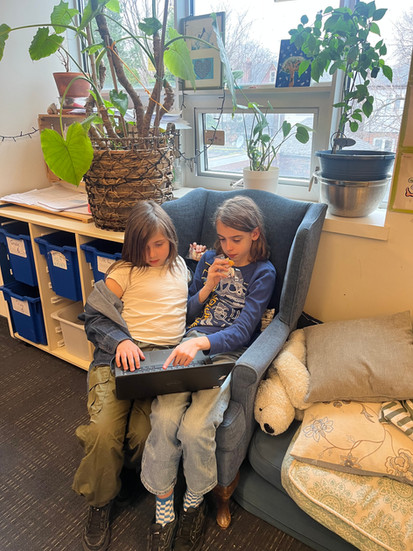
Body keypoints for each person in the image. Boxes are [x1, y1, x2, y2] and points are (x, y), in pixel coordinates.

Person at [140, 195, 276, 551]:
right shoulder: (210, 260)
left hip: (225, 353)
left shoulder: (263, 272)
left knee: (197, 425)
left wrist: (203, 344)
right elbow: (186, 312)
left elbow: (245, 330)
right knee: (165, 416)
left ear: (255, 234)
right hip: (191, 341)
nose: (228, 247)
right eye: (223, 239)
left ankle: (194, 501)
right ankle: (164, 503)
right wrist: (207, 285)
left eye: (237, 239)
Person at [72, 200, 189, 551]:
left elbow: (183, 307)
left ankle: (117, 468)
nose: (152, 254)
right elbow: (93, 317)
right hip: (121, 358)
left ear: (171, 239)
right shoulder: (123, 273)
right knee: (104, 432)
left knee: (144, 435)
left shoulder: (181, 267)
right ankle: (99, 500)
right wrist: (121, 341)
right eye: (144, 247)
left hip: (159, 364)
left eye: (159, 244)